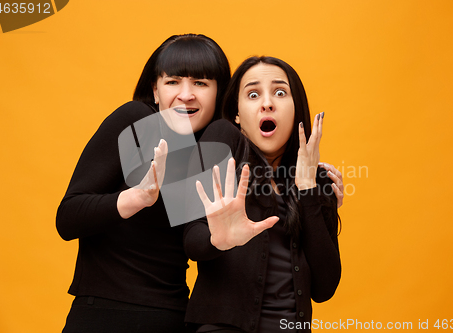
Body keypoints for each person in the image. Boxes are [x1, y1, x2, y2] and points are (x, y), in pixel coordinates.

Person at [56, 34, 231, 333]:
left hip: (174, 317)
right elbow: (67, 218)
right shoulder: (137, 121)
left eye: (201, 83)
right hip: (105, 314)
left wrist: (313, 185)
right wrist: (136, 198)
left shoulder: (216, 147)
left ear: (219, 94)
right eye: (173, 81)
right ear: (155, 89)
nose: (186, 94)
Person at [183, 56, 341, 333]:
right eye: (253, 94)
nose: (267, 103)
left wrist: (308, 188)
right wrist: (218, 240)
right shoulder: (222, 138)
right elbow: (190, 240)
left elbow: (324, 287)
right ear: (236, 113)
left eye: (280, 92)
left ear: (296, 109)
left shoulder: (316, 181)